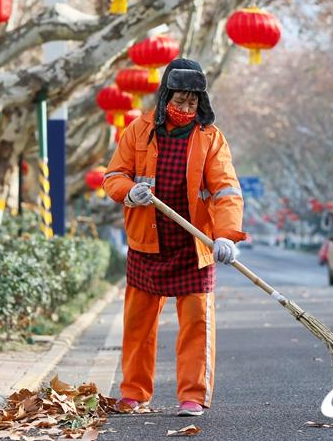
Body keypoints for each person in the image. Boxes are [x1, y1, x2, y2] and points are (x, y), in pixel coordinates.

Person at [102, 58, 246, 417]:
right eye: (179, 101)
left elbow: (227, 190)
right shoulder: (138, 130)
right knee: (138, 326)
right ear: (165, 96)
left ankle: (192, 396)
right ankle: (134, 392)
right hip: (145, 244)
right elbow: (113, 175)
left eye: (192, 103)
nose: (185, 109)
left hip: (193, 247)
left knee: (197, 325)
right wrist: (127, 191)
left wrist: (226, 235)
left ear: (201, 103)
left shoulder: (211, 139)